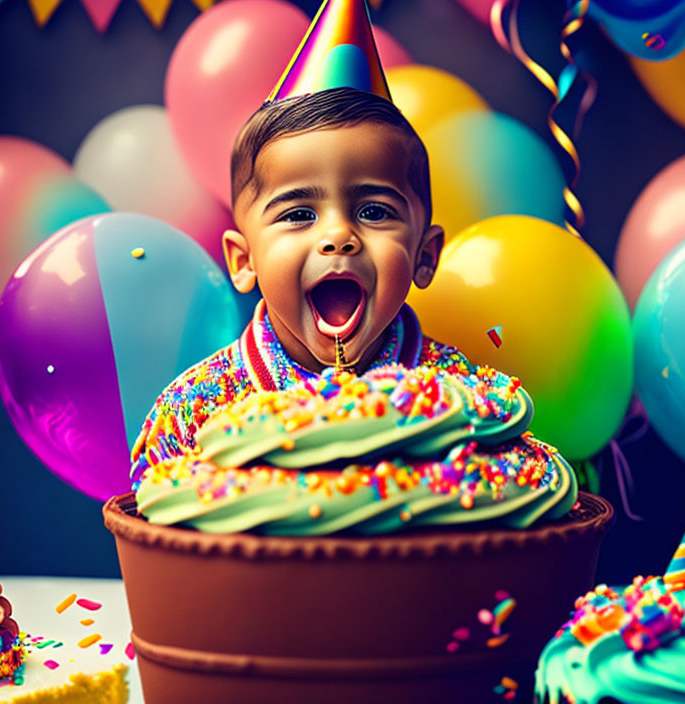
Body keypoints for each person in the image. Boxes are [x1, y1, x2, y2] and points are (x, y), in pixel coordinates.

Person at [130, 2, 478, 476]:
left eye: (373, 211)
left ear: (424, 255)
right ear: (243, 259)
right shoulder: (194, 414)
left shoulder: (469, 403)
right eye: (298, 214)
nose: (338, 235)